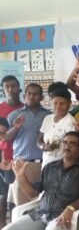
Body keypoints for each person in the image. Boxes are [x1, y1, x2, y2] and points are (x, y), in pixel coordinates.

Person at [4, 131, 79, 230]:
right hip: (40, 215)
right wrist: (21, 177)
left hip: (61, 218)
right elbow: (32, 194)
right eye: (64, 142)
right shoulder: (49, 167)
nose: (67, 146)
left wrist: (71, 208)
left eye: (72, 144)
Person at [6, 83, 51, 206]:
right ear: (24, 96)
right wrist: (15, 127)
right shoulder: (15, 115)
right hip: (21, 164)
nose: (31, 97)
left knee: (40, 202)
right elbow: (7, 138)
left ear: (41, 98)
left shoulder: (49, 116)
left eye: (35, 94)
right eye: (29, 94)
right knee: (21, 203)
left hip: (44, 164)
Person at [0, 75, 23, 226]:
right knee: (2, 196)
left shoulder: (25, 108)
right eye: (7, 87)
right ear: (3, 90)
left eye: (13, 86)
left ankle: (16, 225)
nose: (10, 89)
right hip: (3, 158)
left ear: (19, 88)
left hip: (20, 158)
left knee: (16, 197)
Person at [37, 88, 76, 168]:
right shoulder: (47, 118)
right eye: (55, 103)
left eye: (62, 103)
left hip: (62, 166)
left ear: (69, 104)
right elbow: (39, 140)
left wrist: (56, 146)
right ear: (51, 103)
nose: (58, 107)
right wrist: (44, 147)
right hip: (46, 164)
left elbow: (72, 148)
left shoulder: (70, 122)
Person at [0, 117, 15, 229]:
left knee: (5, 196)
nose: (2, 136)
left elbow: (9, 179)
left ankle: (3, 224)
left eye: (4, 133)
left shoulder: (9, 145)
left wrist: (9, 169)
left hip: (7, 171)